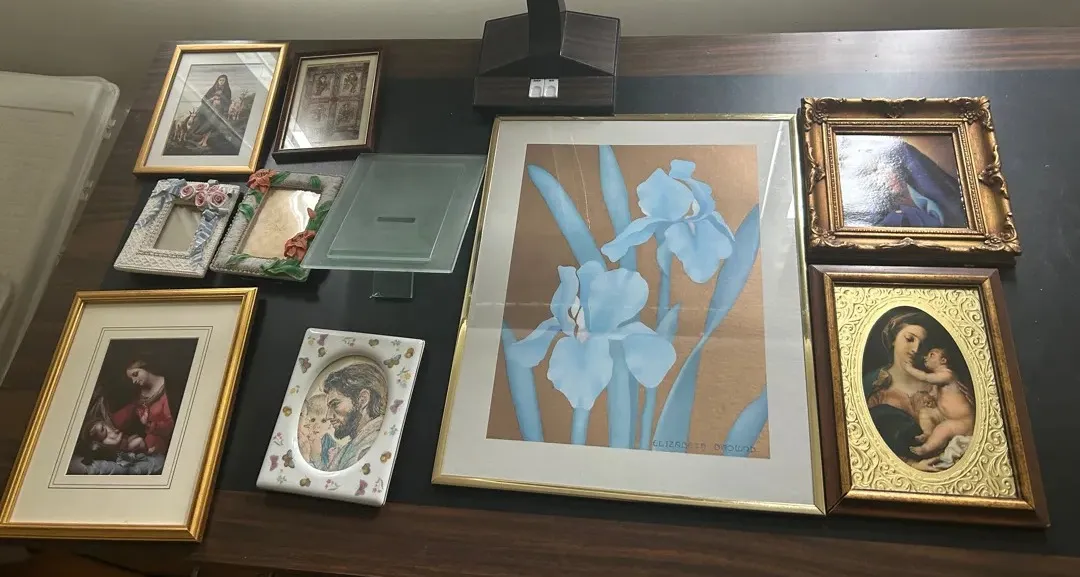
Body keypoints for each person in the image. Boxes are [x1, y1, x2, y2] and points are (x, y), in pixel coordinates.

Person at [864, 309, 944, 466]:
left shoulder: (936, 383)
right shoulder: (872, 384)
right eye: (909, 339)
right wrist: (911, 465)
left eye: (922, 344)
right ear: (894, 339)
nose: (915, 349)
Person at [838, 135, 968, 229]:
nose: (885, 175)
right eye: (873, 172)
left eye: (881, 168)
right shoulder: (879, 214)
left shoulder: (910, 163)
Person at [902, 347, 975, 457]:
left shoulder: (947, 375)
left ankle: (926, 448)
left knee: (943, 428)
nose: (926, 357)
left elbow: (925, 377)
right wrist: (929, 399)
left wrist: (909, 369)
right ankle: (928, 433)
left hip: (964, 421)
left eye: (932, 355)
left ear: (943, 361)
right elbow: (934, 395)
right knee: (925, 413)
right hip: (945, 416)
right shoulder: (937, 381)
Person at [323, 360, 386, 472]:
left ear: (363, 399)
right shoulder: (351, 447)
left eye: (335, 404)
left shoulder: (371, 445)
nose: (328, 416)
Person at [111, 359, 175, 455]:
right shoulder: (140, 393)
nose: (134, 381)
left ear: (145, 367)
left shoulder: (169, 388)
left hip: (164, 444)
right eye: (131, 378)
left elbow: (171, 425)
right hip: (146, 444)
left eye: (135, 374)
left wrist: (149, 424)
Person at [188, 74, 233, 149]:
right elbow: (204, 99)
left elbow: (228, 102)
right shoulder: (212, 89)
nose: (221, 82)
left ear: (226, 82)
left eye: (223, 80)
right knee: (203, 121)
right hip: (209, 109)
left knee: (211, 124)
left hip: (219, 110)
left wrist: (220, 101)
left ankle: (205, 141)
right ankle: (202, 140)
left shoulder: (227, 90)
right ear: (217, 81)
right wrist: (212, 99)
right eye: (220, 80)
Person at [298, 393, 335, 469]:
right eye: (313, 420)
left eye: (323, 421)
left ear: (330, 423)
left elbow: (329, 468)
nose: (317, 426)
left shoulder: (331, 444)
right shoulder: (303, 438)